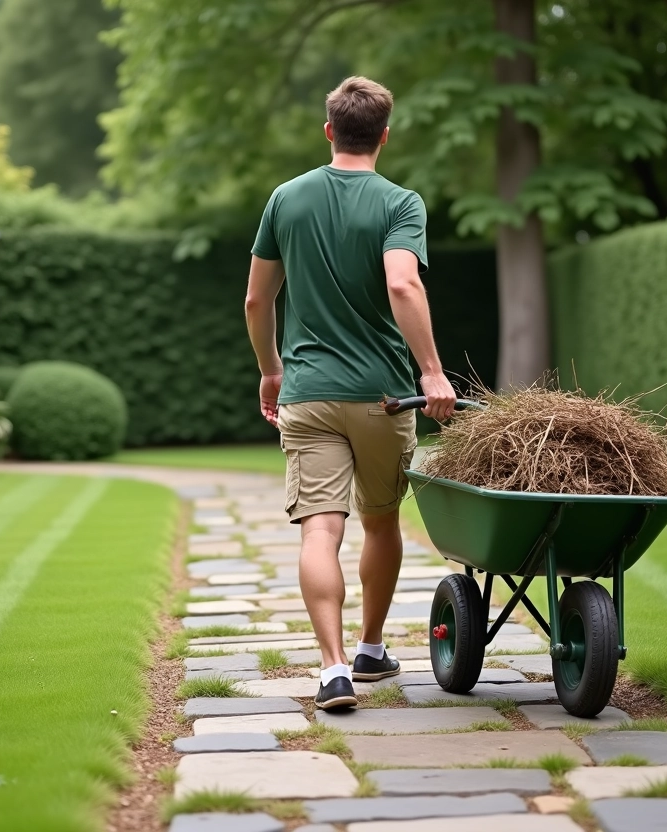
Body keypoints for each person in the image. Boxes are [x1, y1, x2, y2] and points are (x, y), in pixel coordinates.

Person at [244, 75, 455, 710]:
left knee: (319, 531)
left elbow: (258, 299)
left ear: (330, 129)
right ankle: (369, 647)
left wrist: (270, 369)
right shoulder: (401, 203)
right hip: (382, 396)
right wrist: (433, 372)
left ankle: (332, 667)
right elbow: (403, 286)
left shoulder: (286, 198)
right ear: (384, 136)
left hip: (307, 394)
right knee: (381, 520)